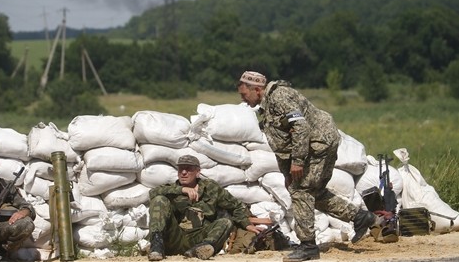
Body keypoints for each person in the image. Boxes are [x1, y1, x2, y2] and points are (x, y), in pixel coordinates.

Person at [236, 71, 380, 262]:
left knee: (300, 190)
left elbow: (301, 128)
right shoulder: (267, 106)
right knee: (315, 191)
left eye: (245, 95)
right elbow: (281, 143)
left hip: (319, 144)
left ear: (257, 89)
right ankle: (360, 217)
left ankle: (308, 246)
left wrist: (297, 161)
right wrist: (287, 172)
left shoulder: (279, 97)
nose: (244, 100)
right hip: (317, 145)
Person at [147, 154, 264, 261]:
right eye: (181, 169)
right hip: (175, 237)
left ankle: (202, 249)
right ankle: (157, 247)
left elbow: (235, 205)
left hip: (198, 237)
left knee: (226, 222)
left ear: (197, 172)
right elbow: (152, 193)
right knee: (159, 200)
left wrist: (246, 224)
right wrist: (181, 190)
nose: (183, 172)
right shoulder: (171, 189)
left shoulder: (211, 188)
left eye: (188, 169)